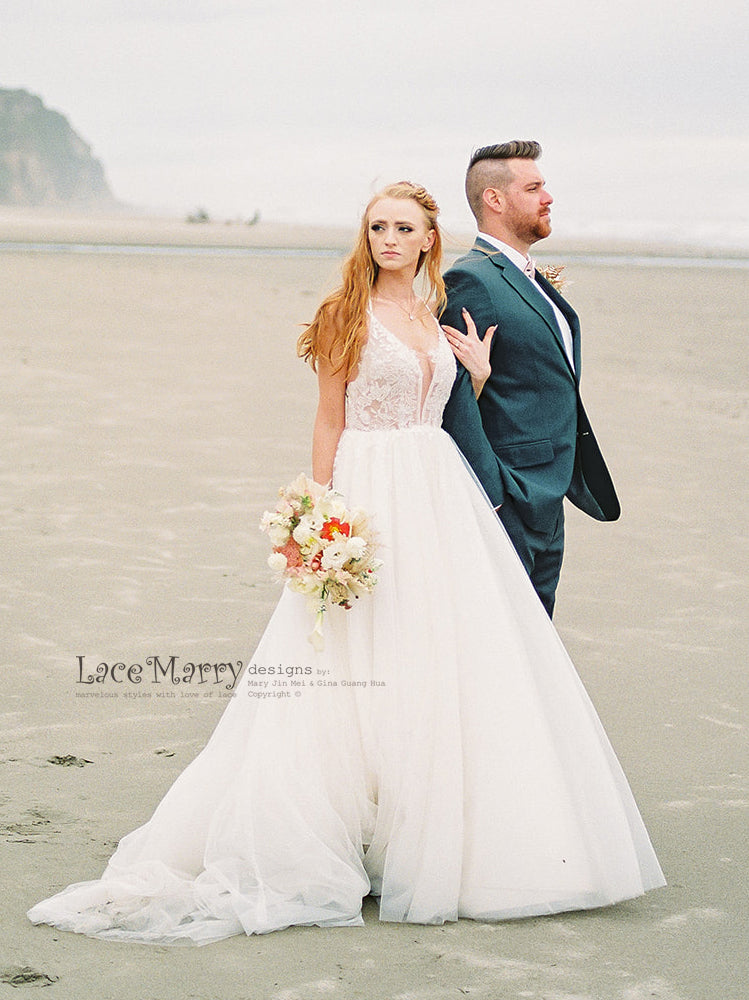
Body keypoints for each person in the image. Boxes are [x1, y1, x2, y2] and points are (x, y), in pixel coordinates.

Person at [28, 181, 664, 946]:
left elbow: (448, 409)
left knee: (438, 658)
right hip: (368, 490)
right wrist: (314, 519)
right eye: (376, 228)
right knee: (350, 662)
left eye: (402, 228)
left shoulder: (436, 316)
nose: (387, 239)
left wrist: (481, 377)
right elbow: (328, 421)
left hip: (438, 494)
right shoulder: (345, 316)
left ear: (430, 238)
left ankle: (428, 837)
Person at [442, 140, 620, 617]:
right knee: (508, 636)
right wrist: (497, 496)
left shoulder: (527, 276)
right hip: (511, 497)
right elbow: (451, 398)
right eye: (535, 187)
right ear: (495, 200)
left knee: (537, 639)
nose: (549, 197)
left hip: (549, 494)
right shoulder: (472, 280)